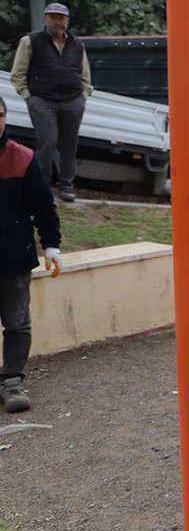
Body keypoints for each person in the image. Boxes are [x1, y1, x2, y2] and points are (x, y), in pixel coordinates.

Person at [0, 95, 62, 413]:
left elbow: (43, 206)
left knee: (17, 323)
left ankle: (12, 382)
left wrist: (52, 244)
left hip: (13, 258)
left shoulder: (22, 158)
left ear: (5, 118)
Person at [11, 2, 93, 203]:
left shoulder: (77, 44)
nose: (58, 21)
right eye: (53, 17)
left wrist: (84, 95)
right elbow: (18, 74)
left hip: (73, 100)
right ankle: (42, 185)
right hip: (41, 100)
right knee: (48, 141)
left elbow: (85, 74)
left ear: (67, 20)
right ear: (45, 19)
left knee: (69, 144)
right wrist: (29, 97)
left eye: (61, 17)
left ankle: (67, 186)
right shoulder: (30, 41)